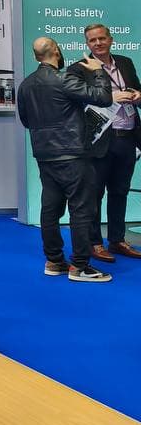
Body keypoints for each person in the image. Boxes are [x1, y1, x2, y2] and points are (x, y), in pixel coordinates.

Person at [15, 36, 113, 282]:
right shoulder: (64, 79)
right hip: (73, 154)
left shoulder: (26, 85)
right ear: (57, 52)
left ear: (36, 56)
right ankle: (79, 266)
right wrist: (99, 71)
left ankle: (54, 261)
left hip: (45, 154)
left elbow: (26, 120)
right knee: (81, 210)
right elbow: (104, 98)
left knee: (50, 209)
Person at [66, 24, 141, 263]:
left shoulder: (125, 63)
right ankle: (95, 242)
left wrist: (138, 96)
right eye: (92, 40)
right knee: (94, 194)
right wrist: (110, 97)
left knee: (120, 192)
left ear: (110, 39)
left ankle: (117, 240)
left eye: (101, 38)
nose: (98, 43)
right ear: (87, 44)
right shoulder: (79, 68)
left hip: (127, 137)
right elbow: (76, 100)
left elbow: (138, 89)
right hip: (98, 141)